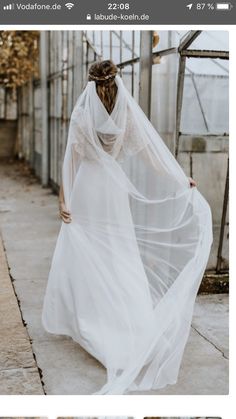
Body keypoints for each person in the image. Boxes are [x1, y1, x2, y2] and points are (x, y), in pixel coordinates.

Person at [42, 60, 212, 395]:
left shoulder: (82, 114)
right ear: (117, 81)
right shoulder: (124, 113)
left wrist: (64, 201)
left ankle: (92, 323)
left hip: (88, 190)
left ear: (90, 84)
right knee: (119, 253)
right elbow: (149, 153)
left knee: (89, 256)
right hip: (113, 192)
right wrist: (180, 178)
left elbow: (70, 161)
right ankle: (126, 325)